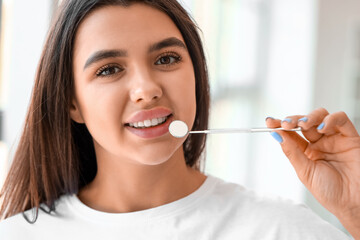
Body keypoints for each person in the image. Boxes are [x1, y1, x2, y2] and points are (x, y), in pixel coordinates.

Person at [0, 0, 359, 239]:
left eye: (166, 59)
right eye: (109, 69)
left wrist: (355, 210)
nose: (146, 89)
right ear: (71, 102)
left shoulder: (280, 230)